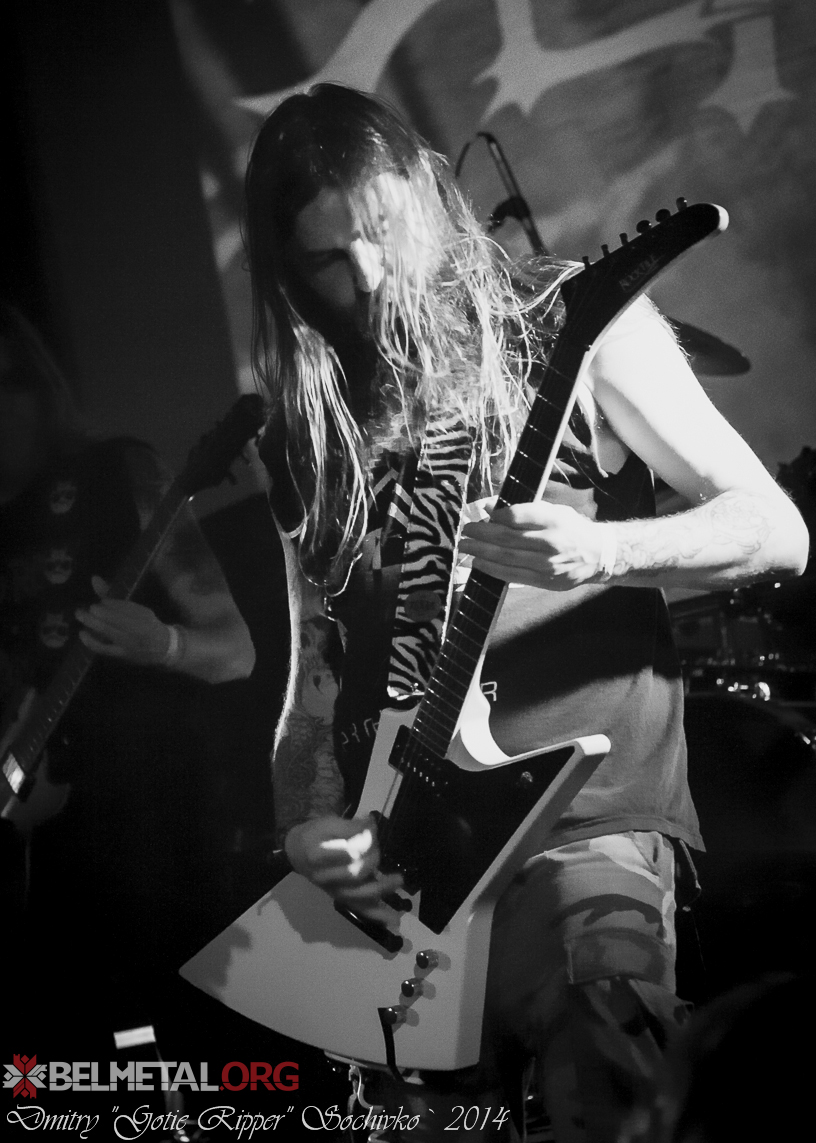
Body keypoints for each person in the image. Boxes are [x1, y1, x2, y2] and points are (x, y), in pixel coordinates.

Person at [243, 83, 808, 1142]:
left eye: (378, 233)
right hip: (400, 865)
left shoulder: (569, 321)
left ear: (424, 193)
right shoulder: (307, 430)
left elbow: (775, 528)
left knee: (605, 1092)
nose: (367, 278)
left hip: (580, 821)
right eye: (326, 260)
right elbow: (312, 673)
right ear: (288, 274)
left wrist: (606, 548)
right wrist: (304, 827)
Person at [1, 302, 256, 1046]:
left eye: (8, 387)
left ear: (38, 389)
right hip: (49, 852)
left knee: (190, 1037)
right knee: (88, 1053)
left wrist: (164, 645)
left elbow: (237, 649)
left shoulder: (118, 473)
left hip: (159, 820)